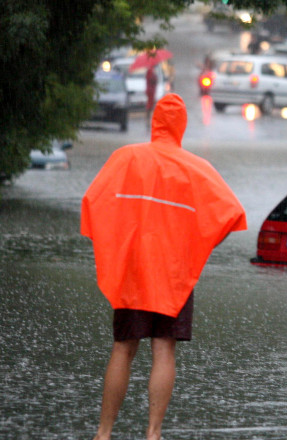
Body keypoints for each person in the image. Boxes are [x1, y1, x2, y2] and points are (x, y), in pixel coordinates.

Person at [81, 93, 247, 440]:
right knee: (163, 349)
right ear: (182, 126)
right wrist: (196, 247)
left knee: (123, 347)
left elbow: (93, 203)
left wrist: (114, 247)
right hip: (174, 275)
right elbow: (231, 213)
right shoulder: (197, 168)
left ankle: (103, 433)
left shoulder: (126, 157)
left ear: (154, 121)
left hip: (132, 271)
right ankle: (153, 433)